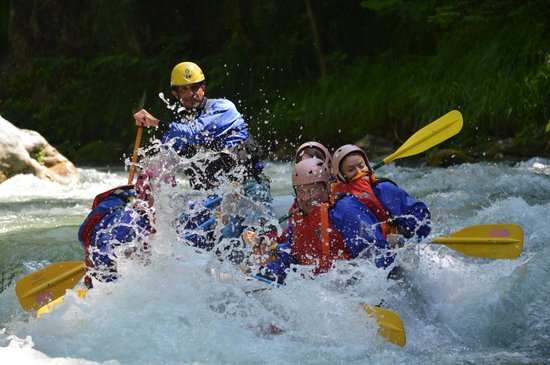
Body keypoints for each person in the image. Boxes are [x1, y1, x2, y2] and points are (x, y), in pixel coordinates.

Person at [133, 61, 271, 208]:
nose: (191, 93)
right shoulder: (181, 124)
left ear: (203, 89)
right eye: (184, 89)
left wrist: (155, 122)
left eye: (195, 87)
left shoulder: (223, 107)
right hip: (215, 195)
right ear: (175, 94)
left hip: (249, 186)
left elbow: (194, 133)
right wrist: (147, 179)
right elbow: (167, 156)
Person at [256, 158, 396, 284]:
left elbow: (377, 253)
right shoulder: (299, 215)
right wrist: (272, 252)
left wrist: (369, 291)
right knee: (271, 267)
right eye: (301, 192)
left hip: (347, 284)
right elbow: (294, 255)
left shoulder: (346, 210)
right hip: (315, 286)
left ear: (327, 188)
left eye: (312, 190)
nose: (306, 197)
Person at [331, 144, 431, 246]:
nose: (359, 172)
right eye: (351, 170)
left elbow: (420, 213)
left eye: (361, 166)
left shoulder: (383, 189)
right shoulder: (336, 203)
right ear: (341, 176)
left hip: (396, 247)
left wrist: (403, 233)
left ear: (368, 165)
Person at [78, 173, 154, 287]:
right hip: (100, 247)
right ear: (146, 198)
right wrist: (112, 286)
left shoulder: (149, 212)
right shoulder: (128, 221)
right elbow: (102, 252)